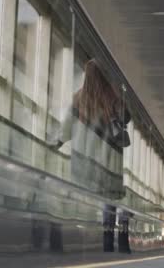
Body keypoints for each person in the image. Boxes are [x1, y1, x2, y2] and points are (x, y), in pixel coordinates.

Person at [49, 59, 132, 253]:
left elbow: (66, 128)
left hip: (84, 161)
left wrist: (56, 143)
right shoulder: (113, 99)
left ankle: (64, 234)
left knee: (78, 195)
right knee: (109, 202)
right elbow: (126, 117)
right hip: (108, 164)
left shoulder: (78, 99)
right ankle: (107, 239)